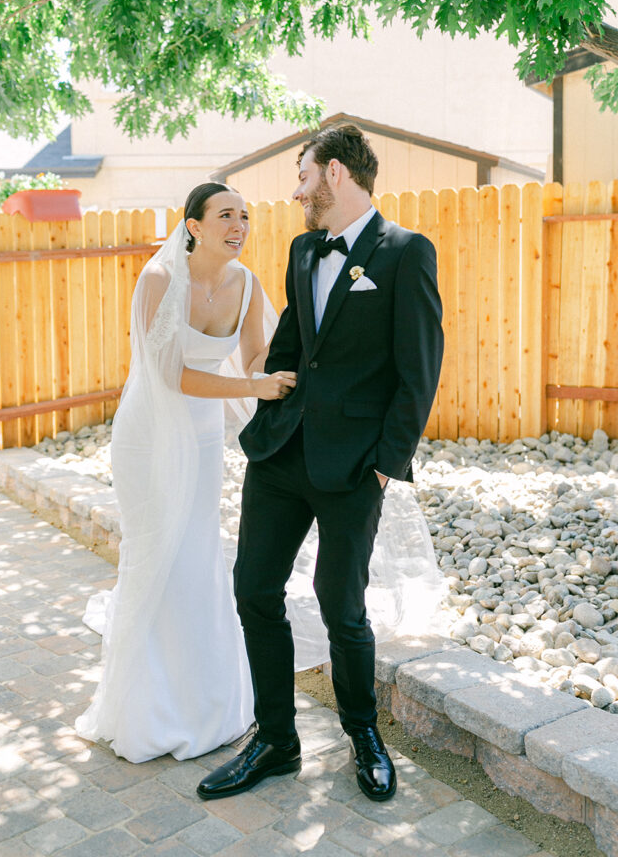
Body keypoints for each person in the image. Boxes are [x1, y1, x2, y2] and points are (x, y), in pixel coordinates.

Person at [197, 124, 444, 803]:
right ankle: (276, 742)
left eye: (303, 175)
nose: (296, 189)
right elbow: (288, 347)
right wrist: (265, 406)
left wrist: (384, 465)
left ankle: (363, 734)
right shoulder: (303, 250)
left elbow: (418, 372)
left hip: (352, 469)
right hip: (280, 458)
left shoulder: (404, 253)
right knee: (253, 591)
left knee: (343, 609)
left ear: (335, 173)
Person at [75, 182, 296, 762]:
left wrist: (284, 368)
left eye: (246, 216)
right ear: (193, 226)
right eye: (226, 215)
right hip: (148, 432)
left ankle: (207, 699)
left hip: (201, 434)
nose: (240, 225)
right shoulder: (158, 281)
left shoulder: (247, 284)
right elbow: (170, 373)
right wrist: (252, 386)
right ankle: (148, 707)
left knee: (198, 551)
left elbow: (253, 358)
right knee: (156, 551)